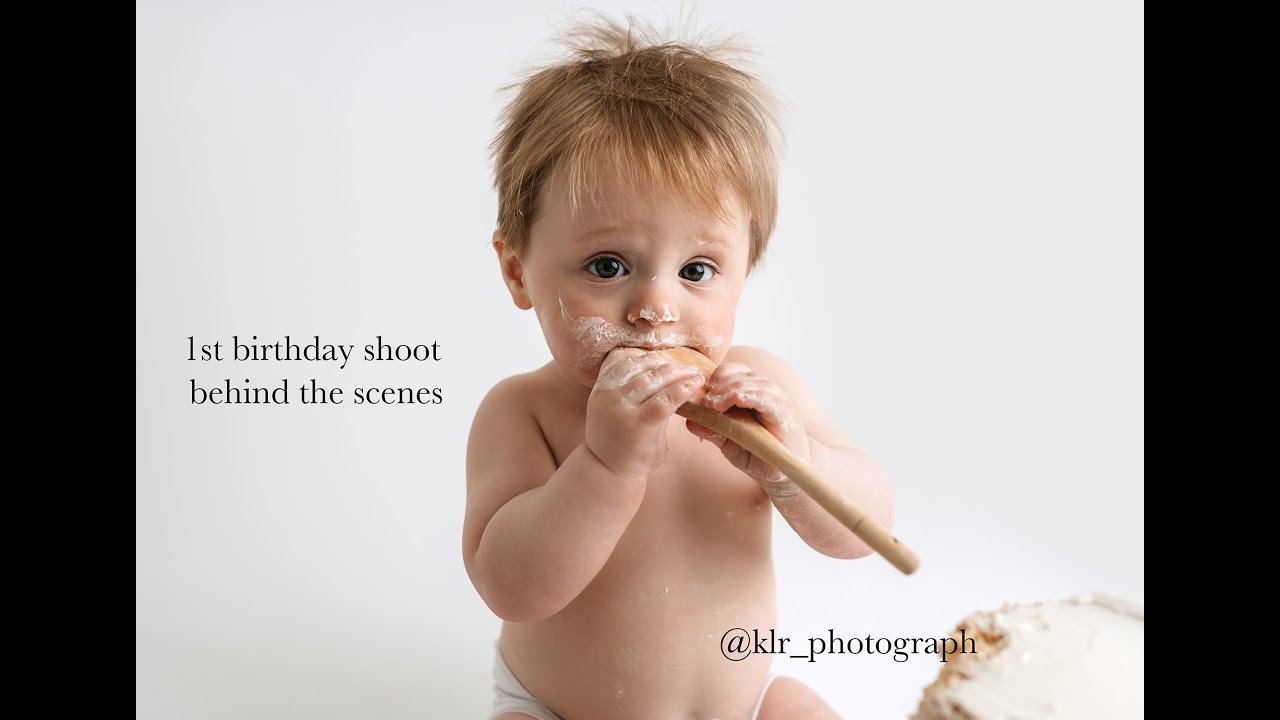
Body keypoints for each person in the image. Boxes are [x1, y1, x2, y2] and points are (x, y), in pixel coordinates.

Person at [463, 13, 894, 720]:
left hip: (743, 703)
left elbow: (865, 529)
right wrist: (605, 467)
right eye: (608, 266)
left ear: (744, 272)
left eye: (697, 269)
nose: (656, 308)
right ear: (517, 272)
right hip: (560, 709)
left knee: (800, 709)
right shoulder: (524, 412)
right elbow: (510, 587)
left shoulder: (762, 389)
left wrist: (794, 464)